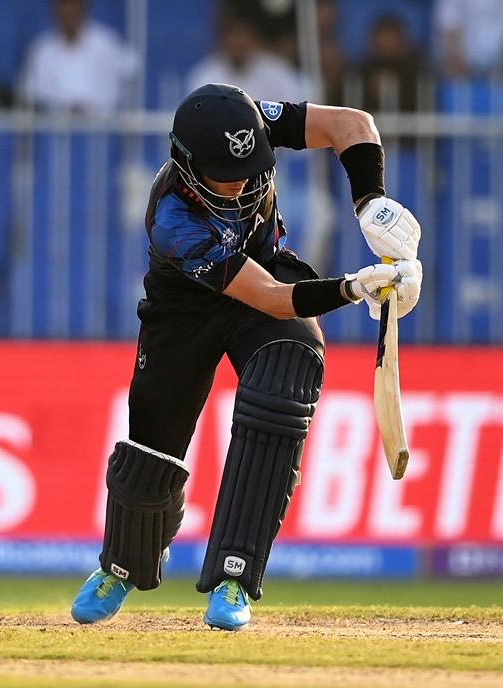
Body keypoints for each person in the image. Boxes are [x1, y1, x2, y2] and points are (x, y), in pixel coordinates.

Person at [69, 84, 423, 631]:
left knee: (288, 367)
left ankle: (235, 575)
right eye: (222, 173)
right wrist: (353, 288)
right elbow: (272, 297)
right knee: (152, 452)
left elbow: (350, 123)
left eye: (249, 165)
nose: (239, 181)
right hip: (187, 310)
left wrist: (370, 202)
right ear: (188, 168)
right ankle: (122, 566)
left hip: (263, 273)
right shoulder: (173, 222)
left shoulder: (253, 124)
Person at [17, 0, 138, 115]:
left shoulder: (108, 44)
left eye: (73, 7)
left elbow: (131, 77)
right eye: (64, 8)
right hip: (55, 130)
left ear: (83, 9)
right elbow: (31, 96)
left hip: (103, 128)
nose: (69, 14)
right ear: (55, 12)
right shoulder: (41, 51)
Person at [185, 13, 308, 102]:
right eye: (234, 35)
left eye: (244, 35)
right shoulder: (206, 74)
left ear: (254, 38)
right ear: (223, 39)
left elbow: (296, 104)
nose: (239, 42)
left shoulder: (277, 70)